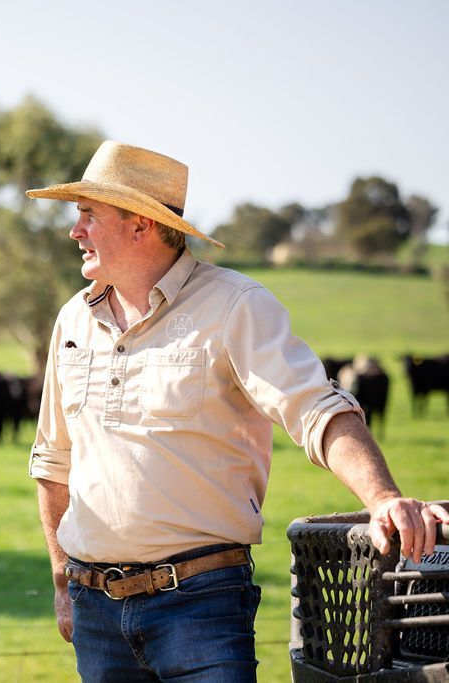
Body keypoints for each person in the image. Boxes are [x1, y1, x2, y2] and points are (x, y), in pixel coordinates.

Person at [26, 140, 449, 682]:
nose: (75, 230)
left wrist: (383, 497)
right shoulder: (72, 321)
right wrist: (62, 581)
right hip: (96, 611)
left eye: (89, 214)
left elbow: (316, 408)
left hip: (200, 604)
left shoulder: (235, 305)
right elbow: (52, 460)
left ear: (141, 224)